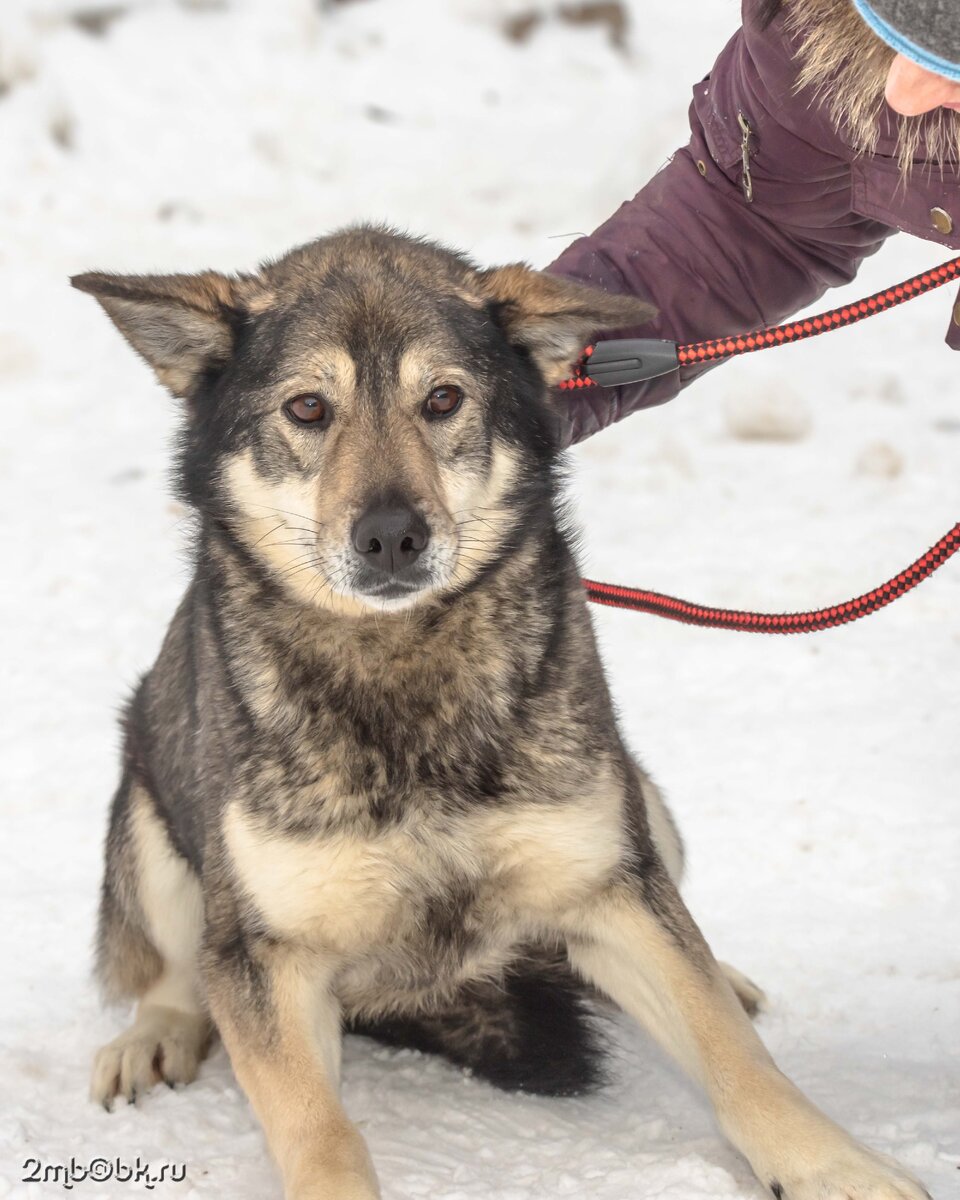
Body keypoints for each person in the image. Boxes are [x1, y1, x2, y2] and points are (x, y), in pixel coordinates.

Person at [548, 0, 960, 444]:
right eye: (895, 26)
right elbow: (746, 222)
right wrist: (527, 373)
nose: (903, 95)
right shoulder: (816, 29)